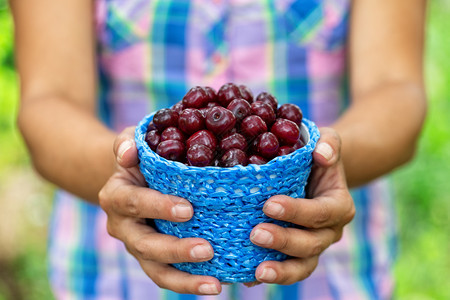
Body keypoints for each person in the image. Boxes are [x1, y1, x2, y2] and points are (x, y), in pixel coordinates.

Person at [12, 0, 427, 299]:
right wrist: (129, 183)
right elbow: (48, 102)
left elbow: (396, 91)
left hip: (329, 274)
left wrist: (323, 165)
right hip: (117, 272)